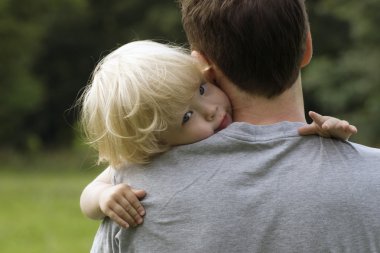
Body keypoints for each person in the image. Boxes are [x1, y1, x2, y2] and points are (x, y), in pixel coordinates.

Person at [79, 40, 357, 230]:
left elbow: (287, 138)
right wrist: (105, 197)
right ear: (156, 142)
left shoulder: (245, 123)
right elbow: (89, 196)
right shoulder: (145, 164)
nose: (211, 110)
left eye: (202, 89)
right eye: (187, 117)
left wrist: (330, 132)